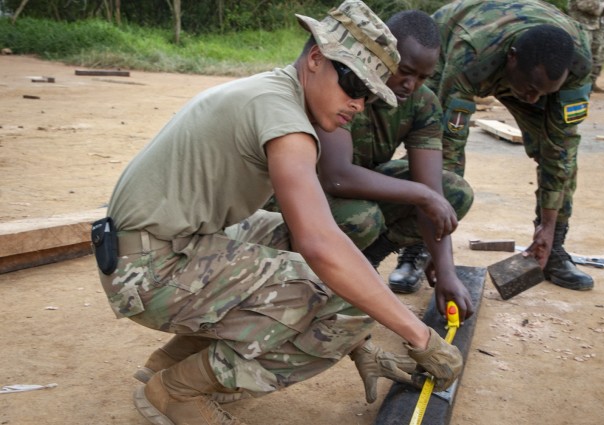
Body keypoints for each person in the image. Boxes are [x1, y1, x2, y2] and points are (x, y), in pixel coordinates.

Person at [91, 2, 463, 425]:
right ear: (316, 59)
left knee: (312, 256)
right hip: (146, 270)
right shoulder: (286, 123)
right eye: (353, 84)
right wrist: (420, 337)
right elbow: (320, 245)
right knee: (337, 298)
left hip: (143, 247)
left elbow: (319, 241)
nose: (358, 104)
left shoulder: (273, 91)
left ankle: (171, 361)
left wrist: (361, 346)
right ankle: (177, 390)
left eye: (368, 95)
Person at [395, 0, 595, 292]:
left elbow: (560, 150)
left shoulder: (577, 62)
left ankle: (553, 249)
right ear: (511, 59)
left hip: (523, 66)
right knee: (427, 144)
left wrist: (549, 227)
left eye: (543, 93)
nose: (533, 100)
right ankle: (415, 247)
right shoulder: (471, 55)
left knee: (564, 155)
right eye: (531, 89)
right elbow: (447, 149)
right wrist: (441, 249)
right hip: (458, 42)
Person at [313, 10, 475, 319]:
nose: (411, 85)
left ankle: (367, 261)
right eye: (405, 71)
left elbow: (433, 189)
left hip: (355, 189)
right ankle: (308, 276)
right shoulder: (345, 83)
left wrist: (446, 271)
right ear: (384, 52)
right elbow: (335, 176)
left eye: (424, 77)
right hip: (302, 192)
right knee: (364, 218)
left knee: (453, 193)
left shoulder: (423, 103)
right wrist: (422, 195)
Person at [567, 0, 604, 93]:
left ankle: (591, 84)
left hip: (596, 26)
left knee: (596, 57)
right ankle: (577, 85)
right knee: (582, 56)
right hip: (581, 27)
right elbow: (585, 5)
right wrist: (602, 5)